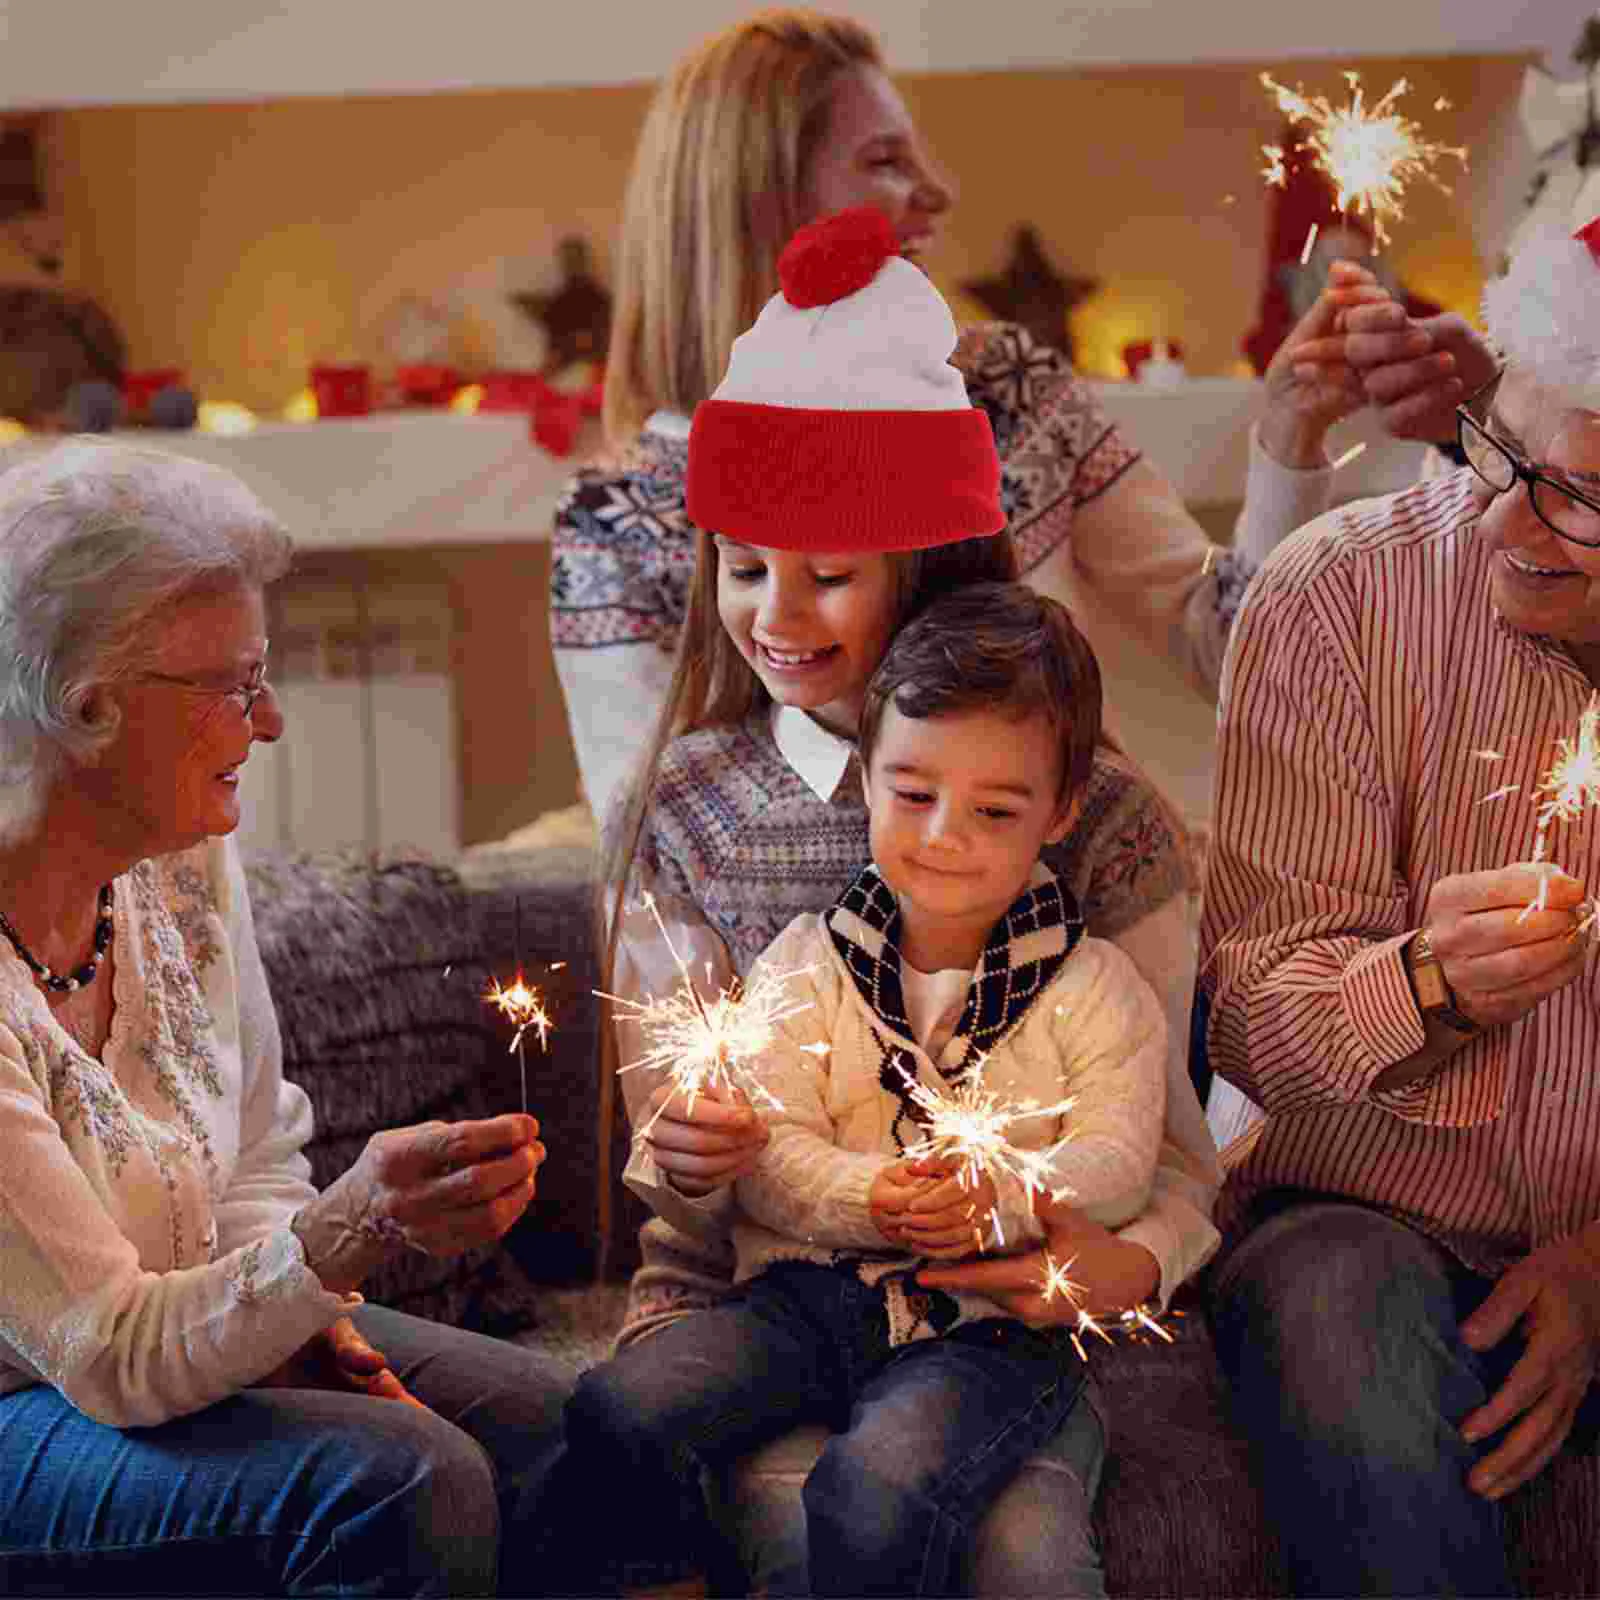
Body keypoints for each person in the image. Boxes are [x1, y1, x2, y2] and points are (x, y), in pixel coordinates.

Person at [588, 206, 1219, 1596]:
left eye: (832, 576)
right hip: (774, 1301)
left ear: (926, 566)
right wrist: (679, 1172)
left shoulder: (1097, 823)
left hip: (1022, 1312)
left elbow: (1165, 1138)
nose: (777, 618)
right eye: (744, 566)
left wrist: (1142, 1259)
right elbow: (679, 1156)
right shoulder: (688, 806)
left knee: (1018, 1547)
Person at [550, 6, 1489, 829]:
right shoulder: (618, 519)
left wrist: (1291, 434)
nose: (937, 192)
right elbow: (645, 851)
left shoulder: (1008, 393)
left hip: (1073, 935)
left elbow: (1239, 653)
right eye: (884, 161)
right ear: (758, 203)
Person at [0, 437, 574, 1598]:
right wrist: (341, 1235)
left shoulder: (178, 862)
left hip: (165, 1340)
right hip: (32, 1397)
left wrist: (301, 1314)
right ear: (89, 704)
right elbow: (107, 1355)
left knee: (563, 1421)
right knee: (404, 1481)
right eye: (236, 683)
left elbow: (258, 1148)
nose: (266, 724)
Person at [556, 581, 1167, 1597]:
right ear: (867, 781)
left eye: (995, 809)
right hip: (805, 1298)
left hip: (987, 1326)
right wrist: (868, 1197)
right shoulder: (810, 960)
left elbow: (1116, 1158)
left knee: (873, 1486)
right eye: (911, 792)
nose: (941, 836)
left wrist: (1000, 1196)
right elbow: (767, 1147)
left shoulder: (1093, 986)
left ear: (1059, 812)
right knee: (619, 1406)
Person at [1197, 214, 1600, 1599]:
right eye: (1501, 453)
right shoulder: (1339, 597)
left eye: (1578, 495)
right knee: (1340, 1308)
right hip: (1359, 1223)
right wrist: (1423, 986)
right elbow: (1246, 1019)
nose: (1500, 517)